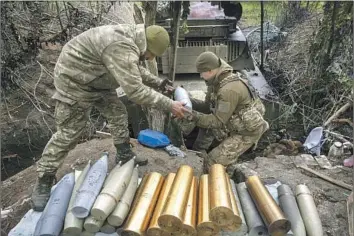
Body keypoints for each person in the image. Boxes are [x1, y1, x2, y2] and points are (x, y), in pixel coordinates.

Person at [31, 24, 188, 211]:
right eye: (152, 54)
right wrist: (170, 104)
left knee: (118, 113)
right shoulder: (120, 45)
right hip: (74, 81)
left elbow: (134, 69)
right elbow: (136, 91)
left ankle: (124, 154)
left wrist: (159, 83)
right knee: (70, 132)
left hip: (99, 79)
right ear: (148, 46)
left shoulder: (132, 40)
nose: (150, 58)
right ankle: (44, 178)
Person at [186, 51, 269, 174]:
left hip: (246, 132)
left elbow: (217, 122)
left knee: (212, 163)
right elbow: (207, 107)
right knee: (205, 131)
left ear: (209, 71)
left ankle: (228, 176)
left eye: (201, 73)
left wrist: (192, 116)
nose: (200, 76)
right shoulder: (216, 82)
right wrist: (189, 102)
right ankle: (207, 152)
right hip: (231, 123)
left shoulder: (228, 91)